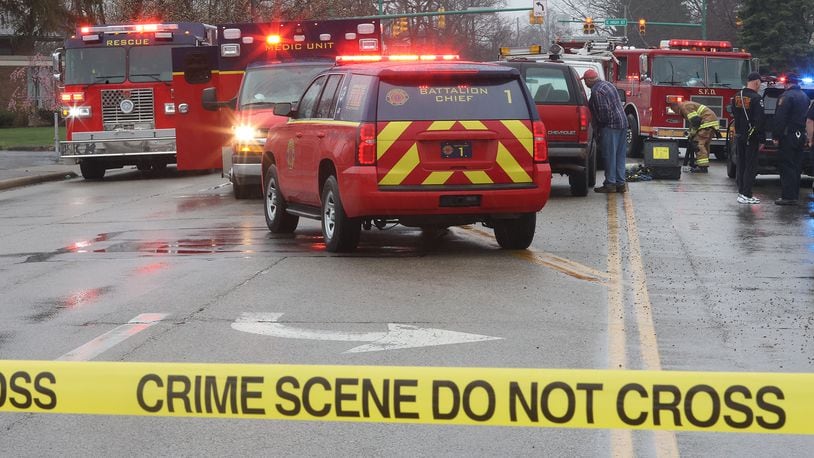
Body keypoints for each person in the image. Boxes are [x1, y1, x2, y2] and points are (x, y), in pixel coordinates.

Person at [583, 69, 628, 193]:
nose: (585, 84)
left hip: (611, 125)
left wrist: (600, 128)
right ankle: (620, 183)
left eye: (585, 81)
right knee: (619, 155)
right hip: (623, 123)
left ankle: (610, 184)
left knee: (609, 155)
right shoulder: (608, 84)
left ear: (589, 80)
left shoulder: (597, 91)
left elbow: (604, 112)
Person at [771, 73, 809, 205]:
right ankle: (794, 195)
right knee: (796, 166)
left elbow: (780, 118)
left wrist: (776, 135)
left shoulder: (786, 96)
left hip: (788, 136)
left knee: (786, 165)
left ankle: (788, 196)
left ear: (787, 83)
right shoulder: (804, 97)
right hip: (800, 134)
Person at [731, 71, 765, 204]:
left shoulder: (736, 96)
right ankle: (747, 194)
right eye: (759, 84)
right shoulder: (757, 99)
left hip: (739, 135)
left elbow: (735, 114)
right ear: (757, 82)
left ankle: (741, 192)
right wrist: (761, 139)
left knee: (741, 164)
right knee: (750, 166)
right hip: (751, 137)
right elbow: (759, 121)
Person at [669, 100, 720, 173]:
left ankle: (702, 167)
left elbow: (696, 121)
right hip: (711, 123)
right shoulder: (687, 105)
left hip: (706, 123)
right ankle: (703, 164)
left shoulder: (684, 107)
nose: (675, 112)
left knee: (698, 144)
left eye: (674, 110)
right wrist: (691, 133)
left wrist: (692, 133)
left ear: (676, 106)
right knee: (704, 145)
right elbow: (693, 122)